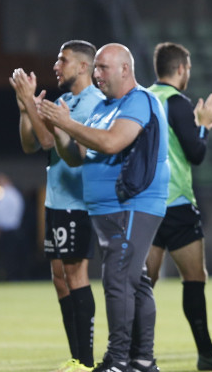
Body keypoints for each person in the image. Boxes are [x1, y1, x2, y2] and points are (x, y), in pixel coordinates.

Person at [38, 43, 170, 372]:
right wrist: (59, 127)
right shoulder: (104, 108)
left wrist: (68, 125)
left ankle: (118, 360)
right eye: (95, 68)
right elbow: (77, 156)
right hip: (106, 209)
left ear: (125, 69)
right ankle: (142, 360)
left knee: (117, 281)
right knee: (134, 282)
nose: (97, 74)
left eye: (103, 68)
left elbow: (113, 142)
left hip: (133, 204)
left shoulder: (139, 100)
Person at [144, 42, 212, 370]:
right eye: (187, 68)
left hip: (144, 204)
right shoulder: (176, 102)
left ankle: (136, 354)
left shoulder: (143, 98)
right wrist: (202, 124)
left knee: (144, 282)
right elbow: (196, 153)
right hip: (175, 202)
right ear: (181, 69)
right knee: (194, 277)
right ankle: (207, 354)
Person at [9, 40, 103, 371]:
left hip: (79, 201)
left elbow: (55, 142)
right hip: (56, 200)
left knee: (76, 274)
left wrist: (31, 106)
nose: (56, 65)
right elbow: (31, 143)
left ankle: (87, 360)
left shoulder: (95, 103)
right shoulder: (63, 100)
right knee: (60, 276)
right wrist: (26, 110)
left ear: (82, 66)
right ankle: (76, 356)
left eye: (62, 60)